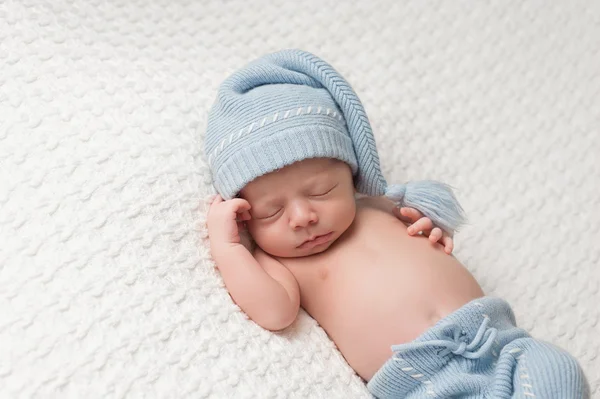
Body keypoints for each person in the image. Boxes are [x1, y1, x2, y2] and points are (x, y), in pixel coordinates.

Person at [204, 49, 588, 398]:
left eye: (321, 190)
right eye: (271, 212)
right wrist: (230, 247)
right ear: (248, 218)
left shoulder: (380, 206)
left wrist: (434, 229)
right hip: (425, 383)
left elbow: (432, 244)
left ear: (351, 174)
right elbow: (274, 312)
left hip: (497, 340)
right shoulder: (283, 263)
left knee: (559, 370)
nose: (303, 217)